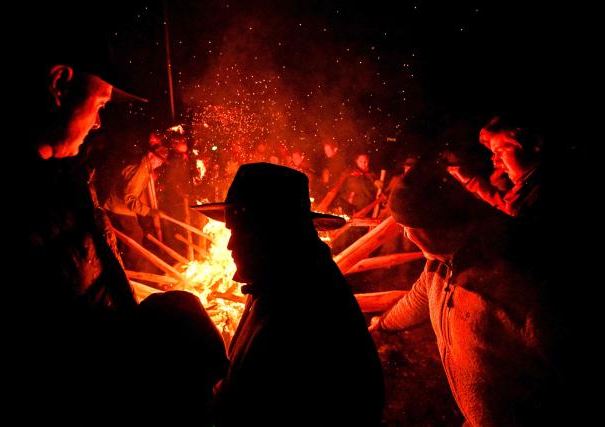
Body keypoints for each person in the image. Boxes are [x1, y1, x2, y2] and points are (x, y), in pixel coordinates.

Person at [16, 10, 229, 424]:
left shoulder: (65, 180)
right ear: (59, 84)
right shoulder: (26, 202)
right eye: (100, 104)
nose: (98, 123)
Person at [369, 158, 564, 427]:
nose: (403, 233)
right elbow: (419, 299)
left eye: (404, 226)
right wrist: (382, 325)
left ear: (421, 229)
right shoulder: (441, 264)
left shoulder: (520, 285)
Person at [192, 163, 384, 427]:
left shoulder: (299, 307)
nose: (230, 244)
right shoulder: (280, 275)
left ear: (271, 233)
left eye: (240, 231)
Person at [449, 114, 543, 218]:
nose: (495, 162)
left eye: (500, 151)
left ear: (535, 144)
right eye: (494, 153)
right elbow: (507, 207)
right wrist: (471, 181)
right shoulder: (525, 193)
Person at [103, 132, 169, 271]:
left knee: (131, 238)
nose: (159, 164)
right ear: (151, 156)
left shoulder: (143, 166)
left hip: (116, 206)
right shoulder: (141, 169)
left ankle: (129, 265)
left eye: (161, 162)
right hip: (118, 208)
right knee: (134, 237)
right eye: (158, 160)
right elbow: (129, 198)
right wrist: (149, 211)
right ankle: (137, 271)